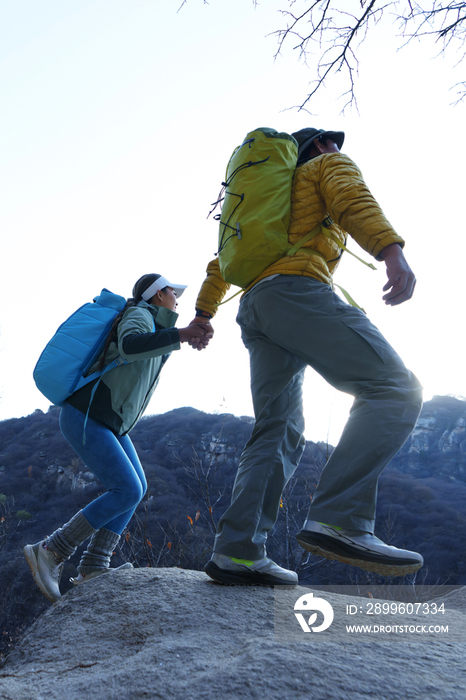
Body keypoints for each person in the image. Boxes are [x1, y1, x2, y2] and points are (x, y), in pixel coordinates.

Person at [191, 128, 424, 587]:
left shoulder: (261, 209)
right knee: (394, 387)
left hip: (256, 309)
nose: (339, 149)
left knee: (276, 429)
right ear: (319, 145)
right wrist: (390, 252)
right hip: (297, 291)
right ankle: (341, 518)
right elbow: (352, 197)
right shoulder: (326, 164)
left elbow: (221, 261)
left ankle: (237, 551)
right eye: (333, 142)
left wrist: (203, 313)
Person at [24, 273, 212, 602]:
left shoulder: (157, 325)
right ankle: (51, 550)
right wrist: (181, 333)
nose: (176, 297)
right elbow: (128, 345)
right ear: (156, 295)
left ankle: (94, 565)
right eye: (172, 291)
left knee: (136, 488)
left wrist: (183, 334)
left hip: (107, 421)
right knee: (127, 488)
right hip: (86, 414)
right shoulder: (140, 314)